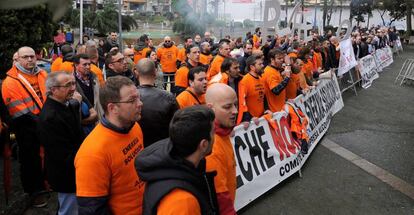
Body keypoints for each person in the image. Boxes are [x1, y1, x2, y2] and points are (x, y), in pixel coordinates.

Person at [75, 76, 145, 215]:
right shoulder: (92, 153)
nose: (140, 103)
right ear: (113, 108)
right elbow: (92, 209)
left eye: (138, 97)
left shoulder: (134, 126)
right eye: (132, 100)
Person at [135, 105, 219, 215]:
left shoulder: (168, 167)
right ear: (203, 144)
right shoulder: (182, 202)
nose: (215, 136)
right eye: (213, 132)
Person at [1, 46, 49, 207]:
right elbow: (19, 112)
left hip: (45, 122)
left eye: (32, 56)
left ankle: (48, 184)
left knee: (48, 156)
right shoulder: (10, 82)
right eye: (25, 57)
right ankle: (35, 193)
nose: (29, 59)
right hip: (26, 128)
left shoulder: (42, 74)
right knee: (31, 162)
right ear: (17, 59)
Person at [38, 72, 84, 215]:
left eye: (73, 83)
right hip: (67, 174)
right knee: (69, 209)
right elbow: (62, 155)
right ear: (53, 90)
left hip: (75, 169)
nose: (73, 88)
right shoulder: (50, 117)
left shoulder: (66, 104)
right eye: (68, 85)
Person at [205, 83, 238, 215]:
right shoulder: (211, 147)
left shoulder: (222, 133)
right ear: (210, 108)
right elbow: (220, 198)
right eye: (227, 107)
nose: (235, 111)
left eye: (235, 104)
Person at [137, 59, 179, 147]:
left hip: (138, 148)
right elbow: (177, 126)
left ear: (137, 73)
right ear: (155, 73)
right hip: (163, 147)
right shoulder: (168, 97)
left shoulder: (129, 97)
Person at [73, 54, 100, 132]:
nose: (88, 67)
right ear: (76, 65)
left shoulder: (94, 78)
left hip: (97, 118)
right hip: (83, 123)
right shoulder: (72, 82)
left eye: (89, 64)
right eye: (85, 64)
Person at [237, 54, 266, 124]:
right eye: (260, 64)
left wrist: (266, 110)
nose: (263, 66)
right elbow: (241, 103)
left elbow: (263, 98)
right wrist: (250, 118)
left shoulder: (261, 79)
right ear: (252, 67)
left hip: (261, 119)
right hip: (251, 122)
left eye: (262, 63)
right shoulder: (245, 81)